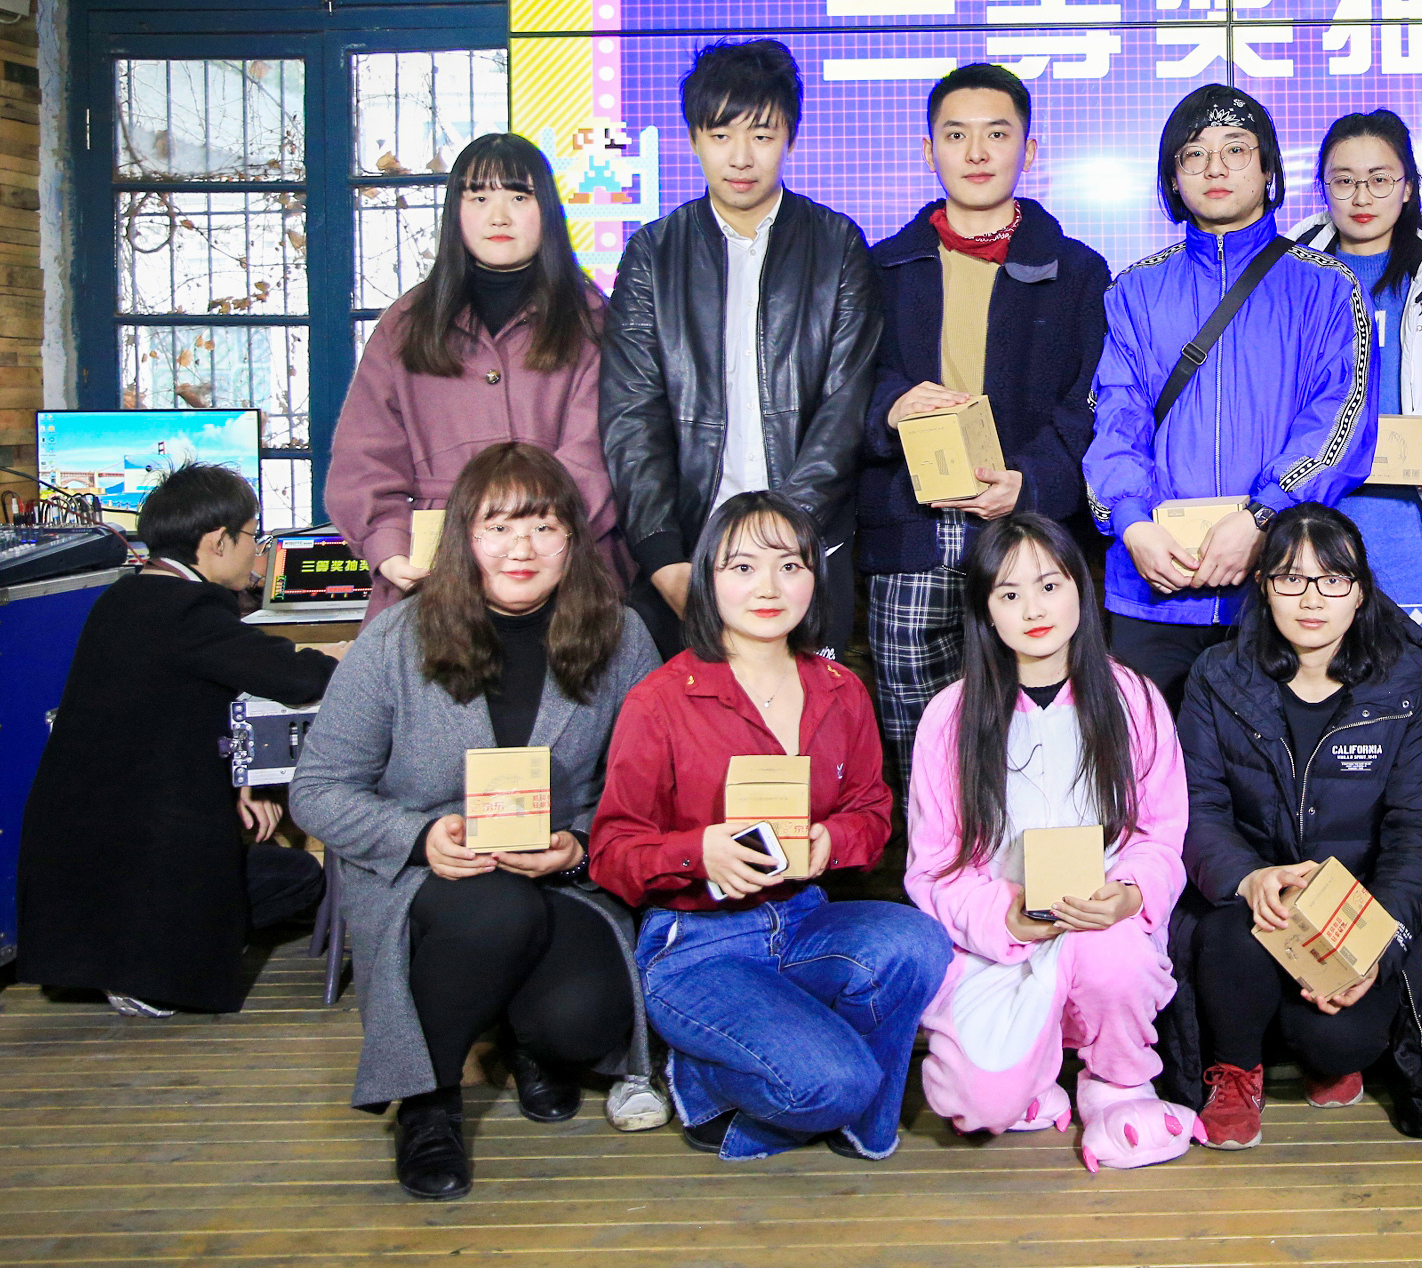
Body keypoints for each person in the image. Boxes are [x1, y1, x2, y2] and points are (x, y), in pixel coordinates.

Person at [291, 444, 666, 1201]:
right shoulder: (396, 639)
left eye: (543, 526)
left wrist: (578, 846)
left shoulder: (621, 637)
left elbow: (652, 789)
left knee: (586, 1025)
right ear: (464, 535)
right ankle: (428, 1102)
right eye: (498, 526)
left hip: (557, 873)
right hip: (428, 876)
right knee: (495, 913)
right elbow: (318, 790)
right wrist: (418, 838)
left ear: (573, 538)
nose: (521, 548)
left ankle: (528, 1043)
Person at [589, 491, 952, 1163]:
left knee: (918, 942)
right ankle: (706, 1082)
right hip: (698, 944)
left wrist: (831, 842)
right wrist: (698, 851)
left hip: (803, 920)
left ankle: (826, 1084)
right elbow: (612, 853)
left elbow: (872, 811)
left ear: (815, 578)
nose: (768, 587)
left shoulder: (840, 689)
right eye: (742, 567)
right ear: (708, 579)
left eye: (790, 566)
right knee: (835, 1083)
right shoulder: (660, 700)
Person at [904, 513, 1194, 1169]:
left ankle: (1117, 1081)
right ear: (986, 611)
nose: (1033, 609)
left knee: (1114, 958)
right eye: (1008, 594)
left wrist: (1129, 894)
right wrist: (1003, 917)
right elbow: (934, 867)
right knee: (977, 1106)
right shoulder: (951, 716)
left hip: (1103, 925)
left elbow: (1161, 833)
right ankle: (1029, 1072)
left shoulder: (1132, 698)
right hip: (997, 942)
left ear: (1080, 591)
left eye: (1049, 586)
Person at [859, 64, 1110, 794]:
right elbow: (842, 383)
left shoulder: (1078, 272)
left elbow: (1091, 403)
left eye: (997, 135)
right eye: (955, 135)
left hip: (1027, 531)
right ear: (928, 150)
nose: (976, 153)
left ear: (1028, 151)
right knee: (920, 754)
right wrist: (889, 407)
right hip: (910, 528)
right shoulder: (879, 268)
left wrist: (1028, 485)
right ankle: (937, 866)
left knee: (1036, 740)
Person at [1164, 504, 1422, 1148]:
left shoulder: (1405, 681)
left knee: (1335, 1041)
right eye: (1291, 578)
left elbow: (1419, 831)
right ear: (1263, 586)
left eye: (1332, 580)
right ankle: (1236, 1070)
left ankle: (1321, 1051)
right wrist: (1248, 877)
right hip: (1254, 904)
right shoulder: (1218, 677)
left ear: (1361, 592)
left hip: (1359, 908)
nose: (1312, 598)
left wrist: (1377, 946)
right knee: (1232, 935)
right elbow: (1196, 807)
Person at [1085, 83, 1376, 710]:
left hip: (1281, 586)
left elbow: (1340, 420)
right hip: (1153, 586)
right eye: (1194, 154)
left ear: (1268, 169)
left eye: (1236, 150)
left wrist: (1261, 517)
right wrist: (1132, 523)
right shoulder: (1134, 289)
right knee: (1147, 759)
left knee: (1274, 764)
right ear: (1173, 177)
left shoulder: (1328, 286)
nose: (1215, 168)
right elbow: (1115, 415)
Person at [599, 39, 885, 659]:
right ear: (693, 139)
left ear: (790, 139)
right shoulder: (654, 253)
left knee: (805, 714)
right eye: (721, 134)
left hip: (807, 551)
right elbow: (631, 414)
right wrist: (664, 556)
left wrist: (780, 546)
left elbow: (845, 409)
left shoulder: (837, 245)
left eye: (761, 134)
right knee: (693, 716)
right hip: (688, 553)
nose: (741, 156)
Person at [17, 464, 333, 1017]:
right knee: (298, 878)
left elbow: (190, 708)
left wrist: (245, 780)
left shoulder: (130, 597)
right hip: (138, 857)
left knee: (293, 876)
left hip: (84, 863)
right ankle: (137, 968)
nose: (257, 550)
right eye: (252, 535)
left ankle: (111, 954)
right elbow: (296, 676)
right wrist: (366, 659)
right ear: (216, 542)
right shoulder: (185, 610)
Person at [330, 132, 622, 619]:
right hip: (432, 573)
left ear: (548, 210)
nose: (498, 216)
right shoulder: (406, 324)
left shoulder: (593, 321)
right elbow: (364, 457)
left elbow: (601, 454)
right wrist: (389, 546)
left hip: (566, 573)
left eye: (519, 197)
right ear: (455, 211)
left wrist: (529, 542)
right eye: (479, 198)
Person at [1286, 109, 1422, 727]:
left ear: (1409, 186)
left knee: (1410, 712)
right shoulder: (1286, 277)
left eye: (1380, 179)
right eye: (1343, 181)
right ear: (1323, 188)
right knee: (1316, 709)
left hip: (1411, 524)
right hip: (1316, 517)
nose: (1361, 197)